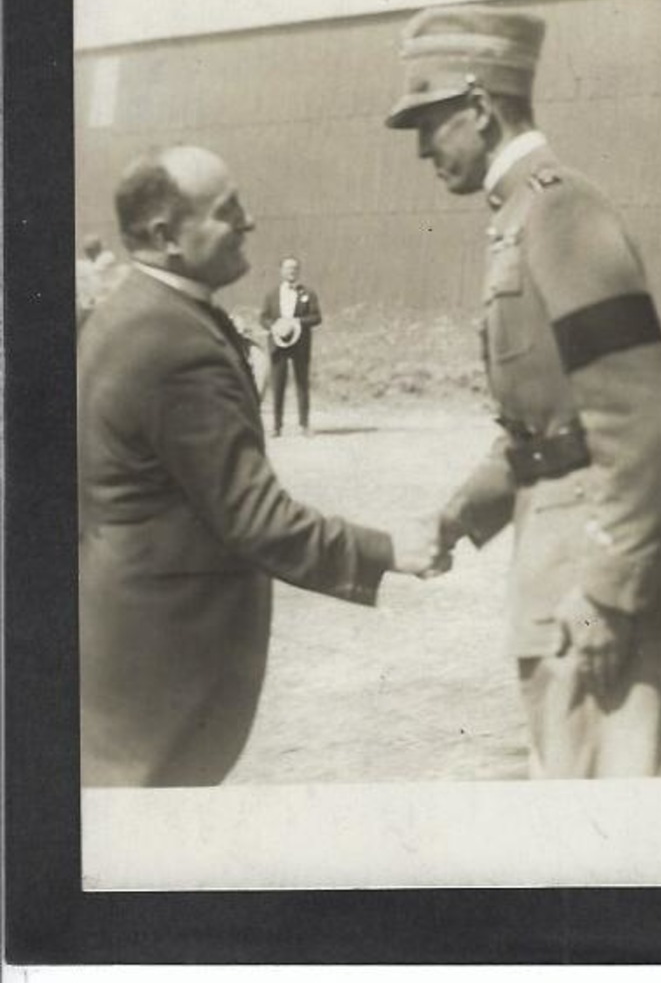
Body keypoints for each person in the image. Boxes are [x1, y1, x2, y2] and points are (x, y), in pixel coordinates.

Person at [78, 145, 441, 787]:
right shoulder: (171, 342)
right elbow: (253, 516)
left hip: (130, 650)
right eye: (228, 210)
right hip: (161, 672)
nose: (248, 223)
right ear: (167, 236)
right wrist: (388, 550)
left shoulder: (140, 313)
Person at [386, 4, 661, 779]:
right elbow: (544, 426)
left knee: (591, 801)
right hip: (556, 558)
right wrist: (458, 514)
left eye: (431, 120)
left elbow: (640, 412)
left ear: (480, 109)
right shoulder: (520, 216)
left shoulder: (561, 210)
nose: (421, 146)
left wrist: (610, 595)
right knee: (566, 769)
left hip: (587, 574)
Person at [260, 257, 321, 436]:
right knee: (277, 384)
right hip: (278, 345)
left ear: (299, 271)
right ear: (281, 271)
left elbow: (317, 317)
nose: (291, 271)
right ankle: (276, 426)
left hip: (300, 344)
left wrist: (296, 322)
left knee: (302, 383)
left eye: (294, 268)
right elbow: (263, 318)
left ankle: (304, 425)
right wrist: (275, 326)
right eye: (288, 268)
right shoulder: (271, 294)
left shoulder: (308, 293)